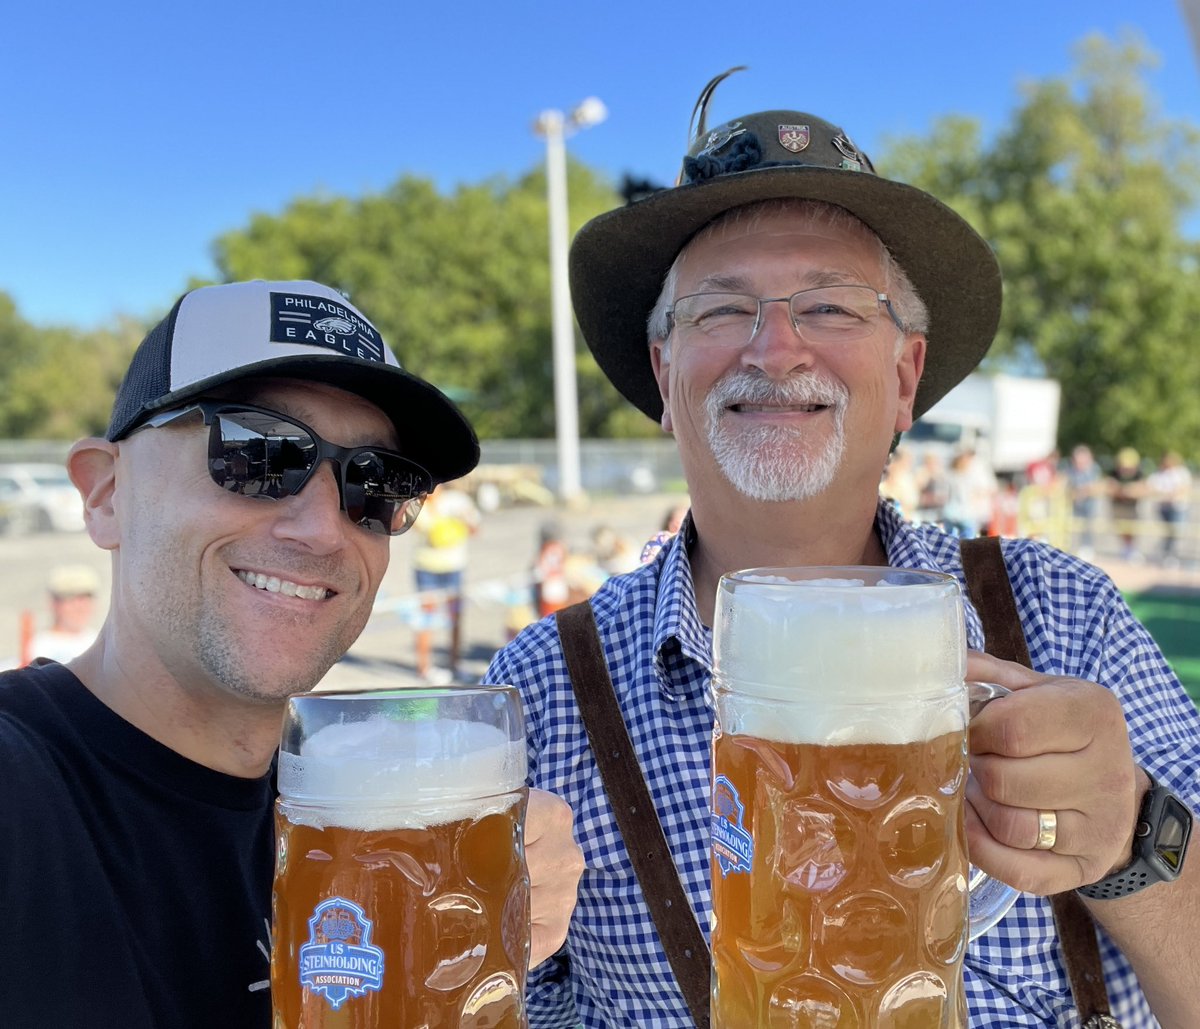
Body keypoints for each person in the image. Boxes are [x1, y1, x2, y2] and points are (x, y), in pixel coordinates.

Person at [487, 77, 1200, 1028]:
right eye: (718, 310)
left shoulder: (1062, 612)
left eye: (830, 308)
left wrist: (1134, 843)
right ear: (664, 375)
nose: (775, 348)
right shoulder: (541, 687)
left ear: (905, 378)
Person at [0, 279, 583, 1029]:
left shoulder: (376, 814)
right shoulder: (22, 795)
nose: (323, 528)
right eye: (258, 452)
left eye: (378, 484)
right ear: (106, 494)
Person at [410, 479, 481, 682]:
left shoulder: (458, 501)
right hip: (426, 568)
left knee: (455, 616)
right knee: (426, 618)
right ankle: (424, 668)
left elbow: (475, 529)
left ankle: (455, 663)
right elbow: (430, 531)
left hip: (454, 566)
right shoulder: (419, 504)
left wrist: (465, 520)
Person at [20, 563, 102, 665]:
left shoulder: (100, 643)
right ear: (54, 603)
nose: (80, 607)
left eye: (86, 597)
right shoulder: (38, 648)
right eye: (71, 598)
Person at [1147, 451, 1193, 565]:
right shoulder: (1158, 474)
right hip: (1164, 507)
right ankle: (1167, 554)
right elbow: (1152, 487)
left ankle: (1169, 554)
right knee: (1168, 531)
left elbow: (1185, 487)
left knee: (1176, 531)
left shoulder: (1181, 472)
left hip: (1178, 507)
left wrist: (1173, 494)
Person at [1109, 446, 1147, 561]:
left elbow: (1143, 488)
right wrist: (1123, 491)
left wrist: (1128, 491)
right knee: (1121, 528)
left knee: (1132, 528)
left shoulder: (1138, 475)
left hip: (1131, 507)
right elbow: (1111, 486)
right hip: (1118, 506)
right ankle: (1126, 549)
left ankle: (1130, 549)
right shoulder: (1114, 474)